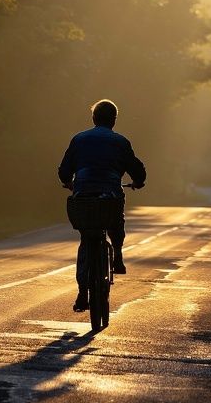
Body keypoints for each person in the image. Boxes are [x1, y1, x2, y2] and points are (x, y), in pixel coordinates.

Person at [58, 99, 146, 312]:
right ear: (114, 120)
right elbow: (137, 170)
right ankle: (117, 253)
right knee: (116, 219)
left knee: (86, 239)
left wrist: (70, 183)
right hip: (110, 195)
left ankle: (82, 294)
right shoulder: (121, 142)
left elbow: (64, 171)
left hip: (83, 196)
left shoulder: (78, 139)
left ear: (93, 118)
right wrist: (138, 182)